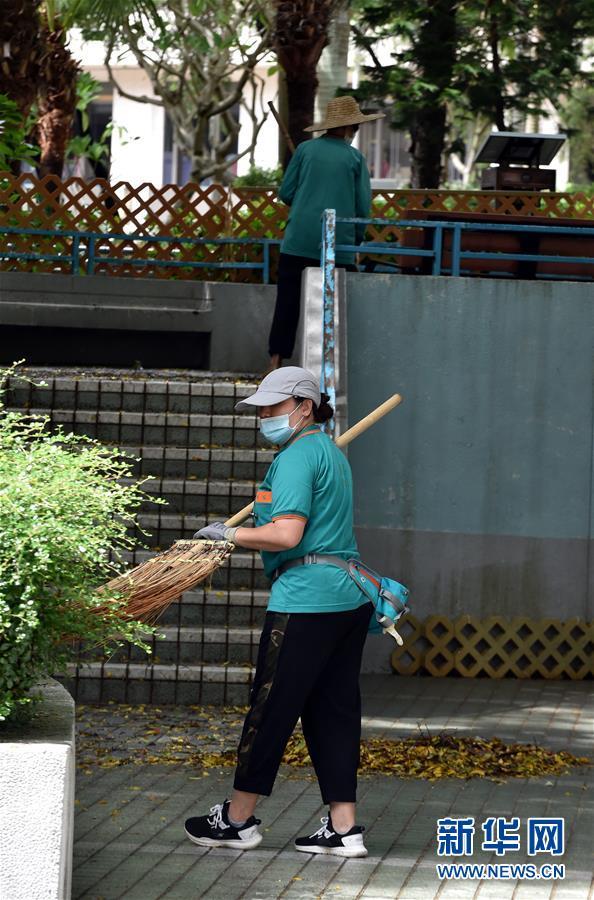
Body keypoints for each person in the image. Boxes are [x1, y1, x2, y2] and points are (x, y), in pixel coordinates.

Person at [184, 366, 373, 858]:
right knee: (333, 712)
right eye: (261, 408)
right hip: (346, 599)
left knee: (270, 711)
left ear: (304, 406)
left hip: (305, 602)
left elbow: (286, 535)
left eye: (272, 407)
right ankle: (344, 829)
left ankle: (237, 820)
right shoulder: (328, 453)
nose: (264, 415)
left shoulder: (294, 460)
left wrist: (228, 534)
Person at [268, 96, 384, 371]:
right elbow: (361, 207)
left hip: (298, 241)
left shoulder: (305, 151)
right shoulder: (355, 159)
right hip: (337, 246)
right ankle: (326, 367)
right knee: (333, 308)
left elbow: (285, 193)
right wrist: (354, 241)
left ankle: (275, 362)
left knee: (287, 304)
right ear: (348, 129)